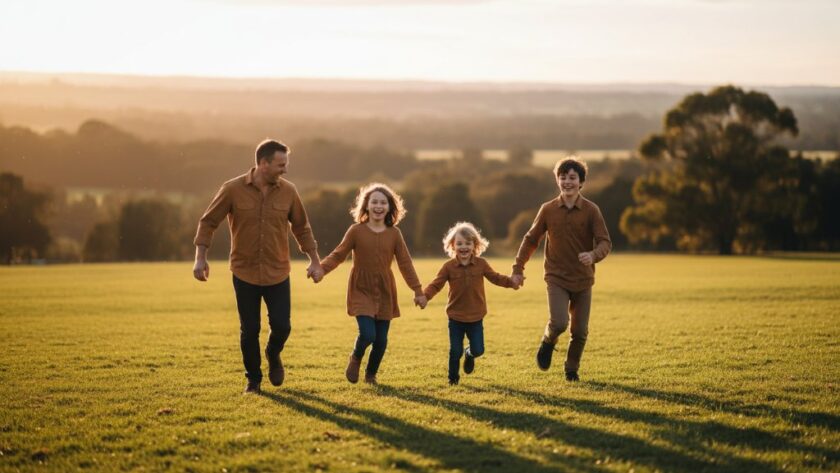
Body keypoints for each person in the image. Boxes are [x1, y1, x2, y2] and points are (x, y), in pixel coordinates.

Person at [192, 139, 324, 394]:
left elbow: (302, 228)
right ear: (263, 164)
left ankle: (273, 354)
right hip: (244, 271)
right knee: (250, 329)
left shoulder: (289, 191)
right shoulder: (232, 189)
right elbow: (208, 222)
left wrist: (315, 261)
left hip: (278, 271)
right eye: (281, 165)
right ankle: (253, 380)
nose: (285, 170)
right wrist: (200, 257)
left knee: (282, 326)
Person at [511, 156, 611, 381]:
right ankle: (548, 340)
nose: (567, 182)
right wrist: (518, 268)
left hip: (583, 279)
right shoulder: (547, 210)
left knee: (580, 332)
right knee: (559, 323)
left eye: (572, 178)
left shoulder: (591, 210)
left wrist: (593, 255)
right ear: (557, 180)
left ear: (581, 182)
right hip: (556, 277)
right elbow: (531, 239)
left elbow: (605, 242)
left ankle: (571, 370)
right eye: (563, 177)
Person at [319, 183, 426, 385]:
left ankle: (370, 375)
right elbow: (338, 254)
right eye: (374, 202)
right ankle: (356, 357)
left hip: (385, 290)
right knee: (368, 334)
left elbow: (405, 263)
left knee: (381, 340)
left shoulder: (394, 234)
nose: (378, 206)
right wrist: (321, 269)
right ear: (366, 206)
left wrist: (418, 291)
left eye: (383, 203)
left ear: (390, 207)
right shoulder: (356, 231)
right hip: (361, 288)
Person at [423, 222, 519, 385]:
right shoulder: (448, 267)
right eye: (459, 243)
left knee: (478, 350)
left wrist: (511, 282)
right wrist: (425, 296)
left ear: (475, 245)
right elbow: (436, 284)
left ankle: (469, 354)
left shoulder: (481, 264)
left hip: (476, 317)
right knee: (455, 351)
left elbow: (496, 278)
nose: (464, 247)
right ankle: (453, 379)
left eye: (468, 243)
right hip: (455, 317)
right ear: (453, 245)